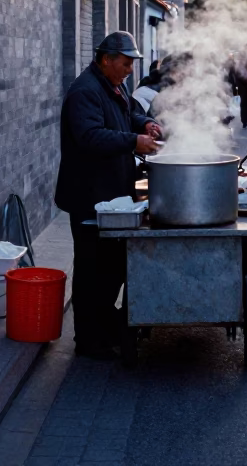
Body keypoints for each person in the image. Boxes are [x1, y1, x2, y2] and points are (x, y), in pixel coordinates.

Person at [55, 31, 162, 358]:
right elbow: (90, 137)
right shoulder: (85, 92)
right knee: (91, 268)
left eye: (132, 64)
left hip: (111, 193)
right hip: (88, 195)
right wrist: (133, 141)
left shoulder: (114, 85)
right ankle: (88, 340)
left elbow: (128, 114)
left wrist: (145, 124)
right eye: (126, 63)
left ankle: (105, 322)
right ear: (106, 59)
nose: (130, 69)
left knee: (113, 265)